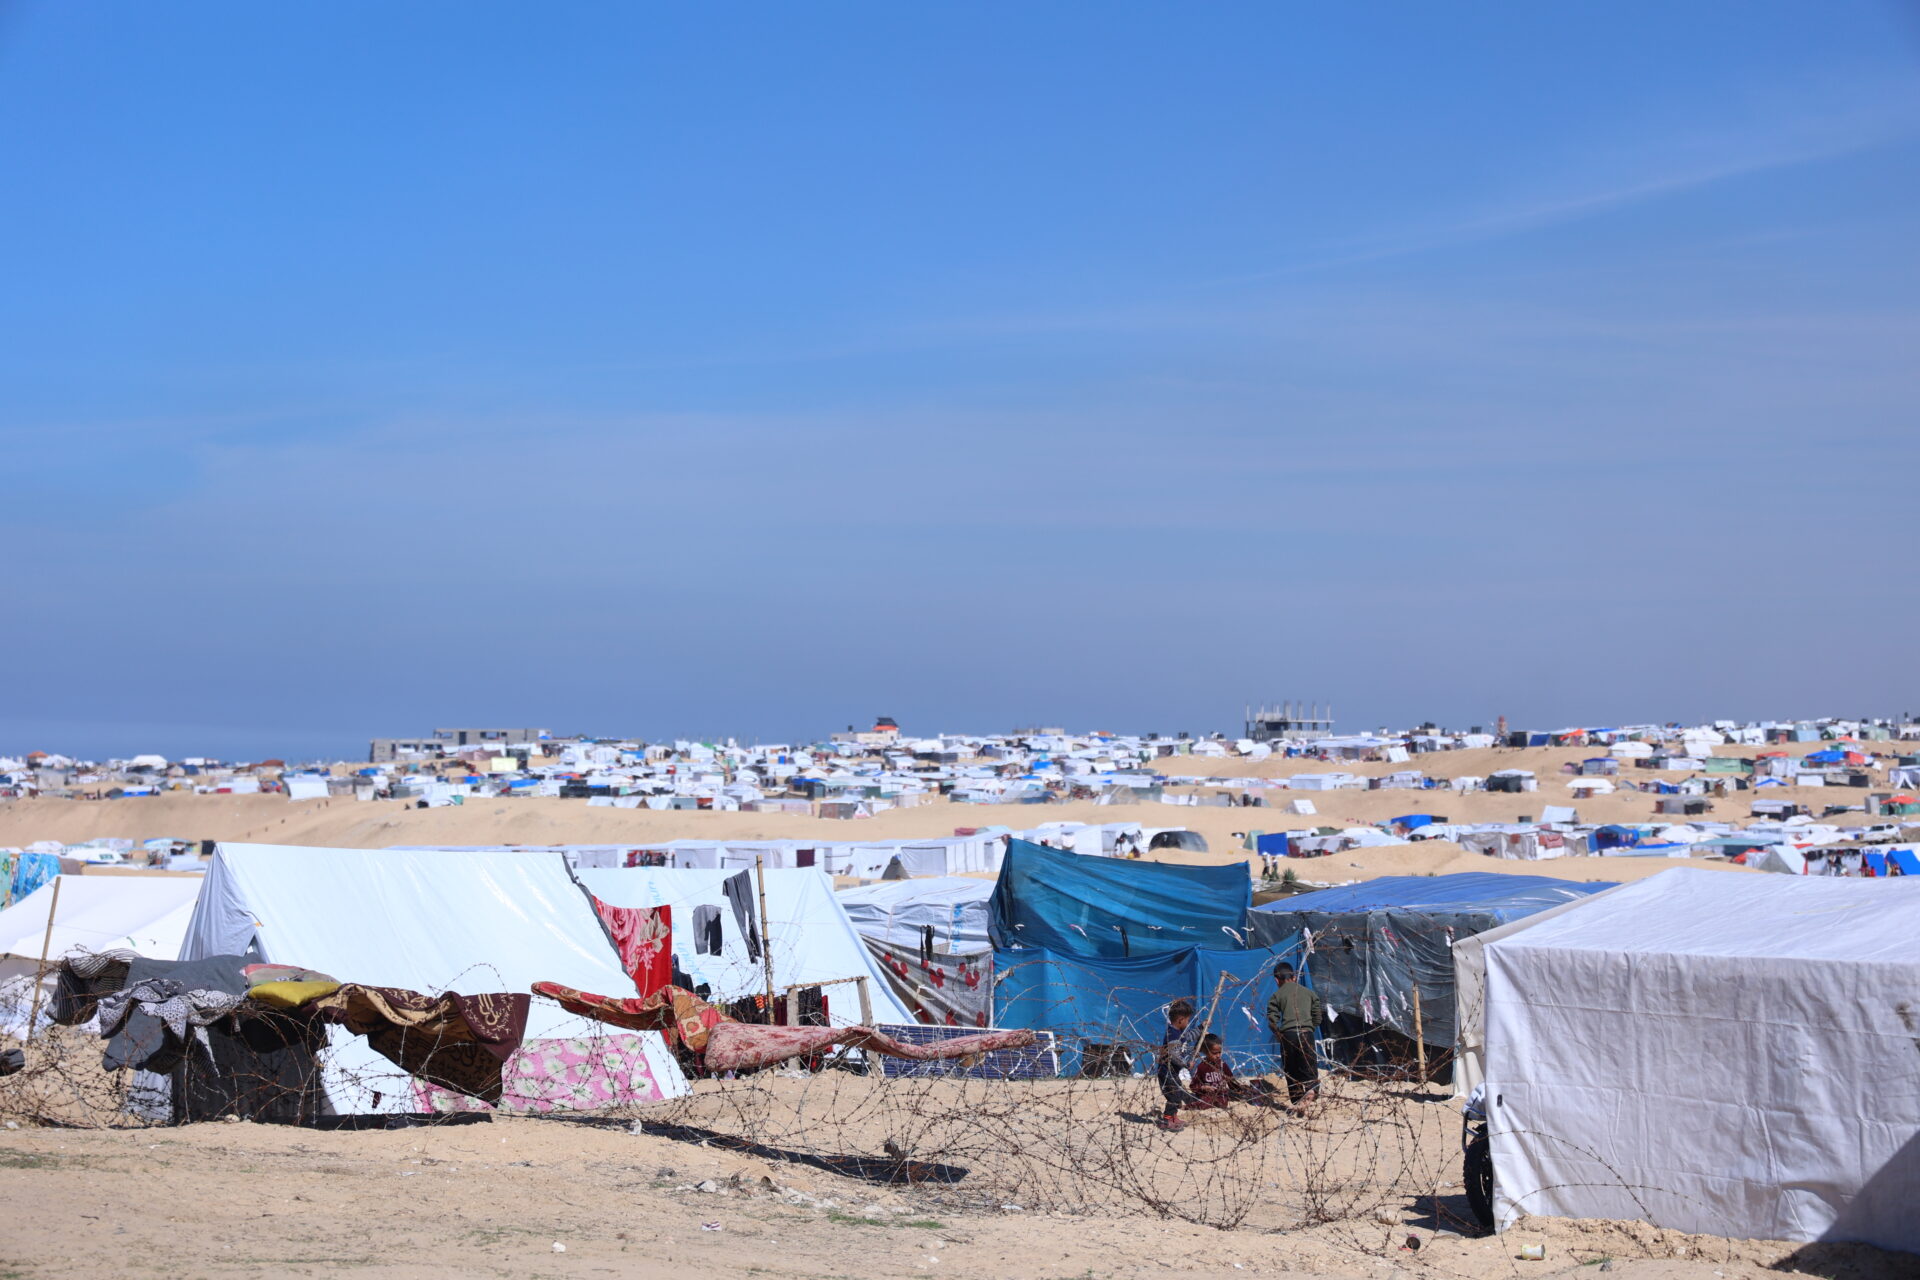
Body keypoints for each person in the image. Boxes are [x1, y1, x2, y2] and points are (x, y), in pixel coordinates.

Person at [1266, 961, 1322, 1110]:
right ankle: (1311, 1089)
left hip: (1288, 1034)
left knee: (1291, 1067)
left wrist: (1278, 1033)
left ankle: (1297, 1099)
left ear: (1276, 980)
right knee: (1309, 1064)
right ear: (1294, 977)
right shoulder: (1309, 993)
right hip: (1306, 1033)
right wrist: (1310, 1027)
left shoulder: (1277, 995)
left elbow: (1272, 1019)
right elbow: (1317, 1015)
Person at [1156, 998, 1197, 1131]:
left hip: (1172, 1072)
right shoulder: (1173, 1035)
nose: (1188, 1022)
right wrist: (1186, 1063)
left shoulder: (1178, 1032)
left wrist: (1202, 1028)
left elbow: (1189, 1036)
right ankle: (1166, 1121)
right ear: (1180, 1019)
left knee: (1178, 1093)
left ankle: (1174, 1117)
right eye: (1187, 1020)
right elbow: (1174, 1055)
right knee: (1173, 1096)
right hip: (1166, 1072)